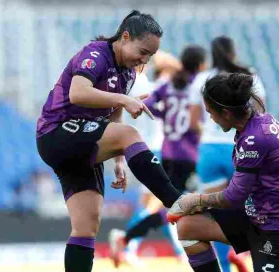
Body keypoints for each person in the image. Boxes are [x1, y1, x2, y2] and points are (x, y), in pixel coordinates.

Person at [36, 10, 182, 272]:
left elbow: (113, 113)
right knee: (131, 135)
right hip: (57, 133)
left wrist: (118, 159)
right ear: (125, 37)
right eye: (143, 51)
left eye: (150, 55)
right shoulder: (95, 54)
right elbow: (79, 93)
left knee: (86, 225)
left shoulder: (127, 72)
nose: (145, 59)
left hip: (83, 142)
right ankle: (176, 202)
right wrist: (124, 100)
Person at [168, 73, 279, 272]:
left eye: (211, 112)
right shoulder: (255, 124)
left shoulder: (255, 138)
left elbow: (234, 196)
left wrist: (195, 200)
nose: (210, 118)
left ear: (225, 112)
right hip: (255, 217)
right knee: (188, 227)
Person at [109, 45, 207, 267]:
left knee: (168, 205)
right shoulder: (191, 86)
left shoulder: (165, 86)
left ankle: (176, 249)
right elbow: (193, 121)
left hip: (163, 151)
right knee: (170, 205)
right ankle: (127, 241)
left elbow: (151, 105)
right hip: (171, 152)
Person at [188, 35, 266, 272]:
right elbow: (261, 115)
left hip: (210, 150)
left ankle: (224, 267)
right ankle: (263, 263)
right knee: (255, 209)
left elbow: (193, 122)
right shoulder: (249, 75)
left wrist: (211, 131)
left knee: (217, 214)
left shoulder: (202, 78)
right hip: (240, 148)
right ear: (234, 51)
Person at [118, 51, 181, 266]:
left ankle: (180, 252)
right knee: (158, 203)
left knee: (158, 205)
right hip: (156, 149)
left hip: (141, 146)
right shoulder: (153, 86)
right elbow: (179, 68)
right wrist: (159, 55)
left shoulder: (142, 85)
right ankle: (125, 244)